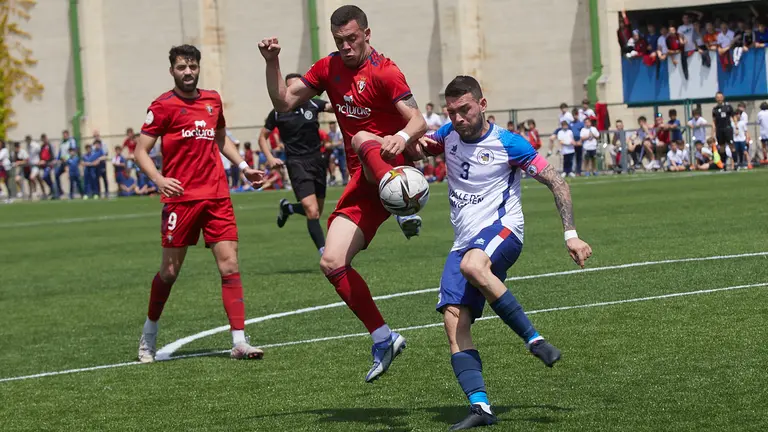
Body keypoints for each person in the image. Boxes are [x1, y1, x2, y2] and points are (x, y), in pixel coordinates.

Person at [259, 4, 428, 382]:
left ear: (367, 34)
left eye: (352, 39)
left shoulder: (385, 70)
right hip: (361, 180)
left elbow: (418, 120)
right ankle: (384, 337)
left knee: (364, 136)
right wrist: (273, 61)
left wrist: (400, 138)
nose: (346, 46)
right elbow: (284, 102)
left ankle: (404, 203)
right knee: (332, 262)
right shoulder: (328, 67)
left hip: (391, 169)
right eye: (340, 41)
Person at [419, 76, 592, 430]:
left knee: (473, 265)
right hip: (464, 240)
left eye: (465, 109)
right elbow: (422, 147)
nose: (459, 118)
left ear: (482, 105)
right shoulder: (448, 134)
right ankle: (481, 408)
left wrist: (570, 234)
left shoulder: (508, 143)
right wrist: (406, 146)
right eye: (452, 112)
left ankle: (535, 339)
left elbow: (556, 181)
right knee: (454, 322)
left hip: (504, 231)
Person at [135, 44, 265, 363]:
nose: (188, 72)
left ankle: (239, 341)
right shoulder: (163, 106)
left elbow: (221, 139)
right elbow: (140, 151)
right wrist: (159, 180)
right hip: (181, 200)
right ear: (172, 71)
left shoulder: (212, 100)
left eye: (192, 66)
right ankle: (148, 335)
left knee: (230, 265)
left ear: (198, 68)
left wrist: (244, 167)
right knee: (168, 272)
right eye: (181, 67)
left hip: (217, 195)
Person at [258, 73, 333, 256]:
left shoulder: (313, 104)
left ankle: (288, 208)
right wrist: (270, 158)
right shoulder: (278, 111)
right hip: (297, 163)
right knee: (312, 211)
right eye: (290, 88)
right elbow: (262, 137)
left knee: (317, 210)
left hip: (317, 161)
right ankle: (324, 252)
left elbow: (333, 107)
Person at [712, 92, 734, 168]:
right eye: (717, 97)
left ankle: (736, 163)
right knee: (721, 147)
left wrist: (736, 127)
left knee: (731, 145)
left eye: (720, 97)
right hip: (719, 130)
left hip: (727, 128)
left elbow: (733, 117)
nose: (719, 99)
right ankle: (723, 165)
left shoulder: (728, 107)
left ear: (723, 98)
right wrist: (713, 132)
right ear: (716, 99)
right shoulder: (715, 109)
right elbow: (714, 121)